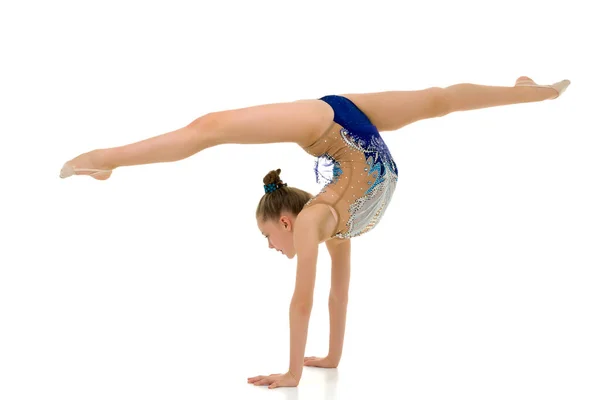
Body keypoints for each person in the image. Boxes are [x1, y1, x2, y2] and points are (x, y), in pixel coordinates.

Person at [59, 76, 570, 389]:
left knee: (213, 126)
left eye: (267, 240)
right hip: (348, 129)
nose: (272, 248)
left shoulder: (320, 219)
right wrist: (323, 360)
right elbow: (329, 295)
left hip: (337, 127)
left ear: (287, 220)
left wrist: (297, 370)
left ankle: (533, 92)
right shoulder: (325, 222)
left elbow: (313, 298)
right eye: (268, 241)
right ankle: (534, 92)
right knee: (437, 99)